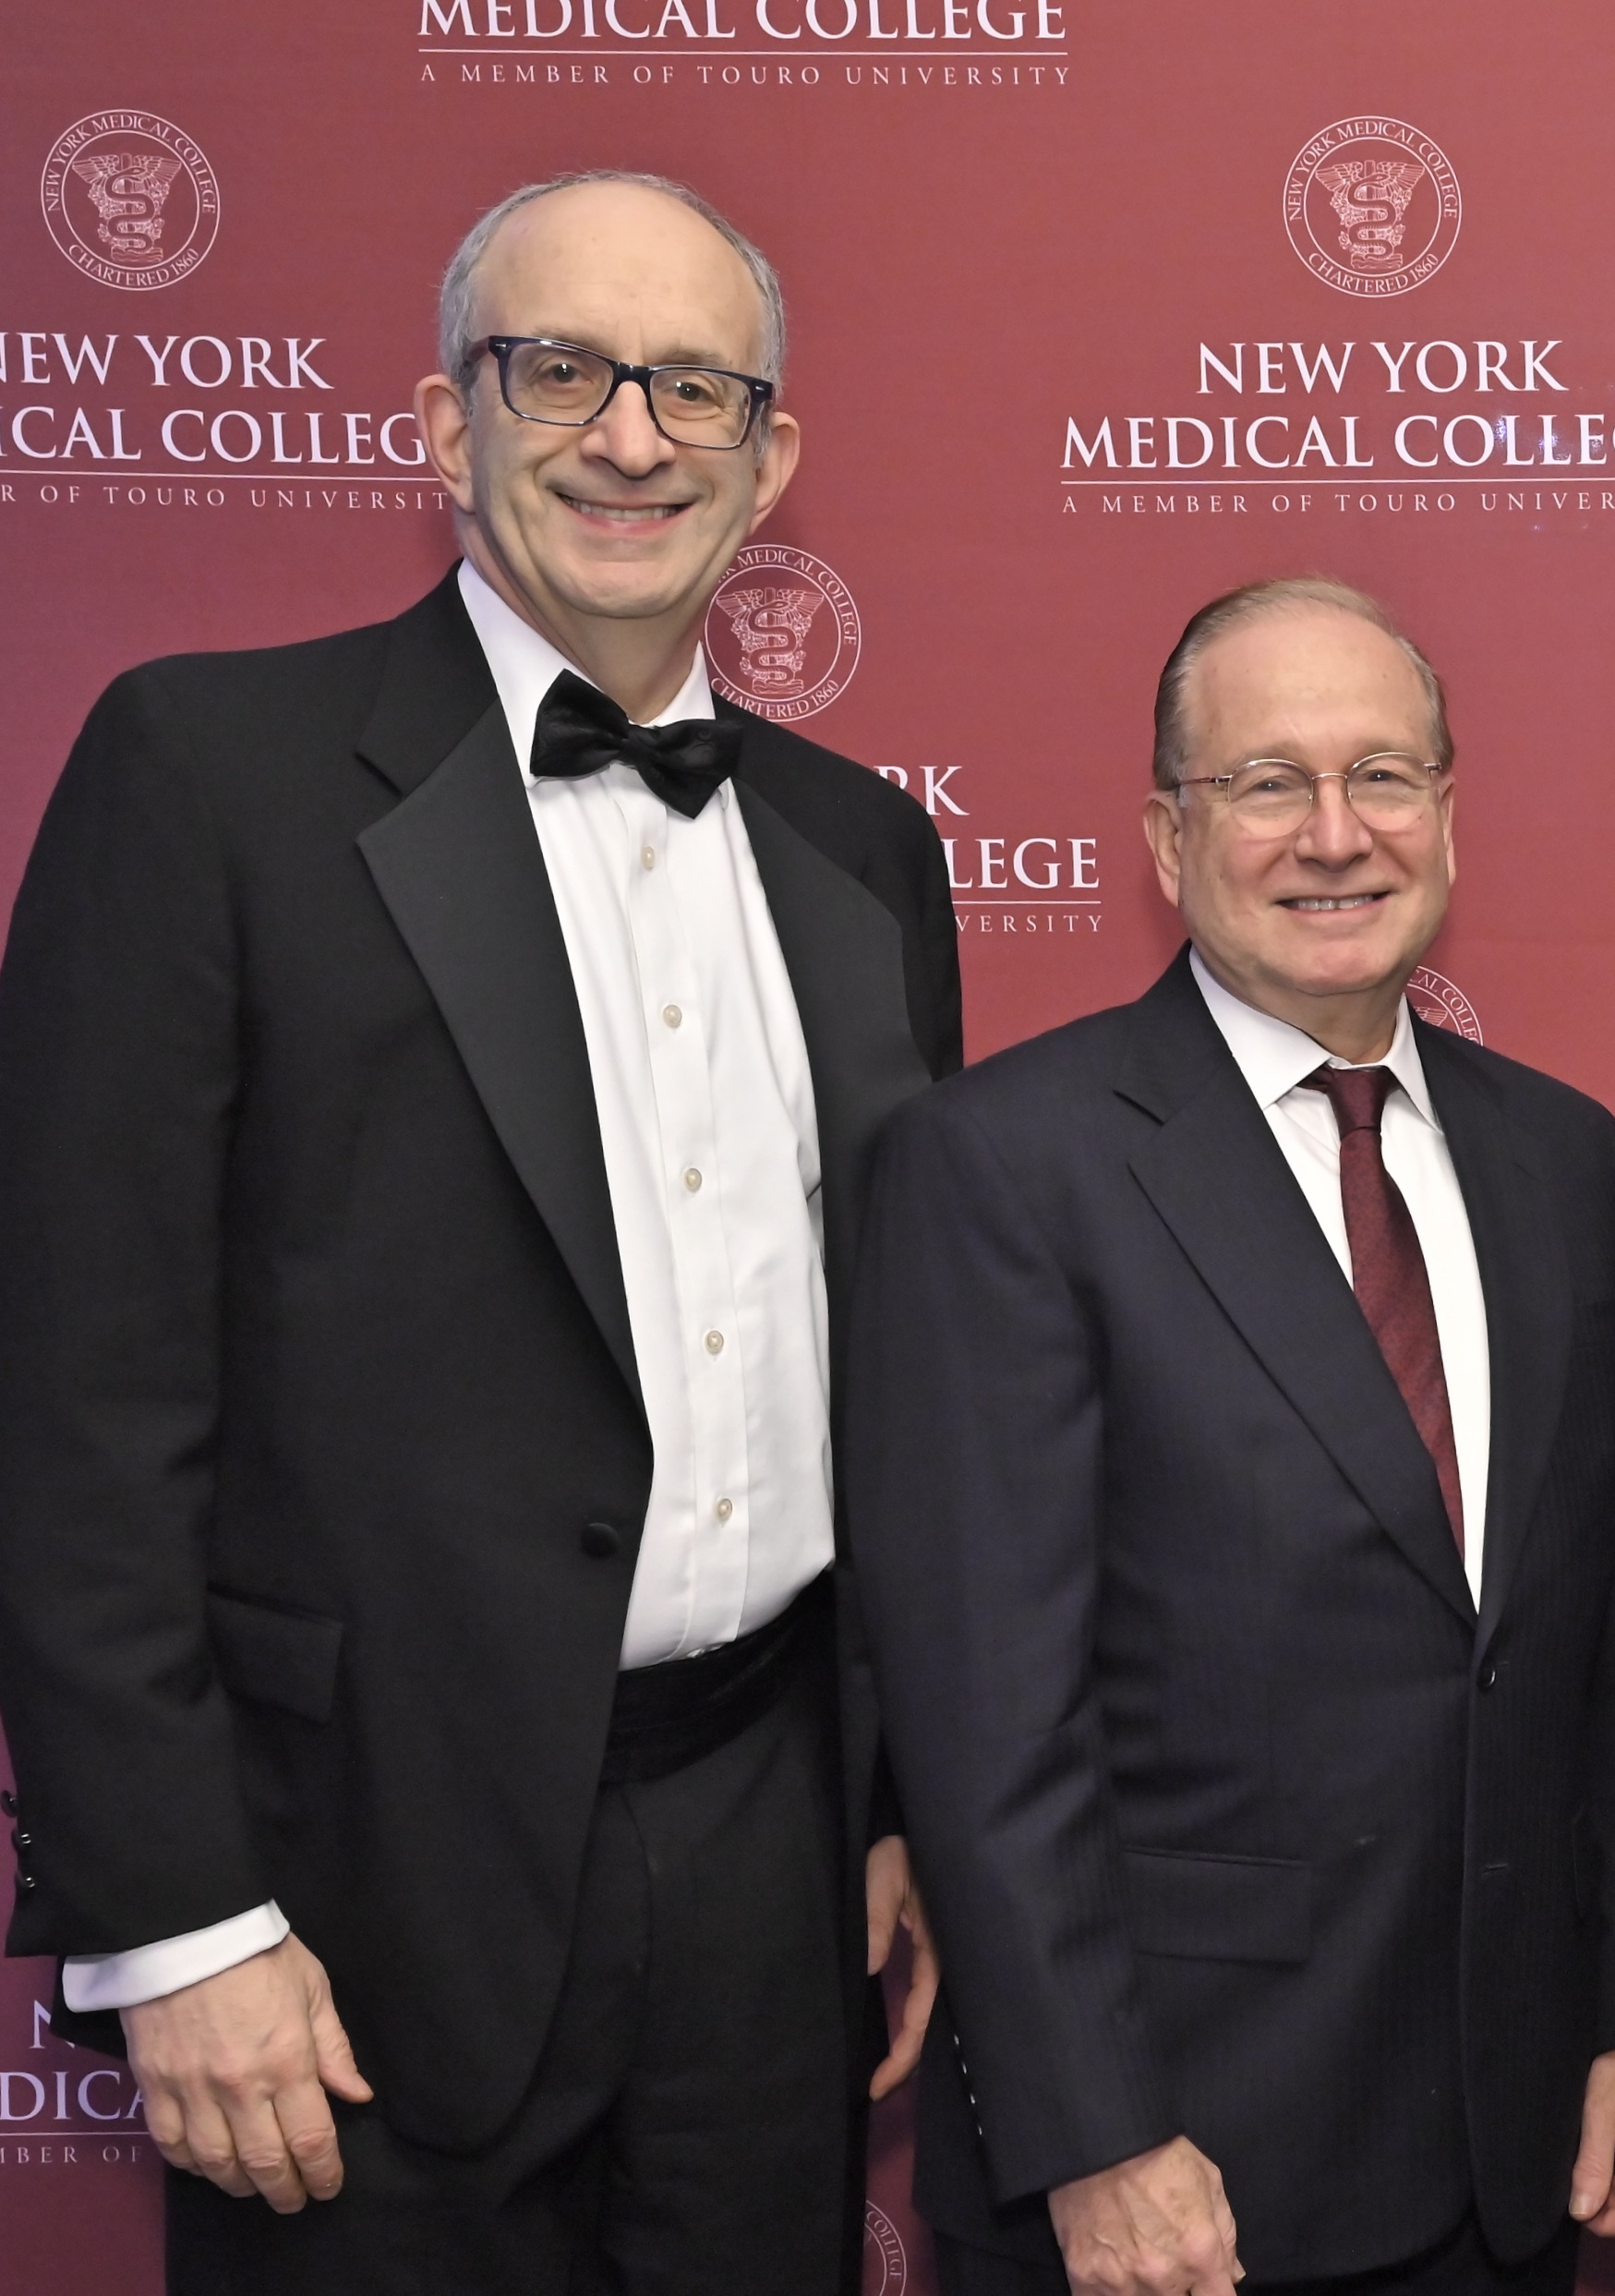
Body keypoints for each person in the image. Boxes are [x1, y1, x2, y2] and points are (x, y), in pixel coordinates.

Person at [0, 171, 958, 2290]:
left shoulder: (865, 850)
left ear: (770, 453)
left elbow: (895, 1380)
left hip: (767, 1869)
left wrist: (887, 1802)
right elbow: (75, 1397)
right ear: (446, 425)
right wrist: (179, 1920)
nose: (632, 434)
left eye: (694, 385)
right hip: (350, 1902)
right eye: (561, 369)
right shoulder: (204, 773)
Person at [847, 579, 1615, 2296]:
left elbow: (1602, 1656)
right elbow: (985, 1718)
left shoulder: (1561, 1161)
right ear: (1166, 836)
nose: (1333, 833)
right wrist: (1094, 2135)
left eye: (1384, 775)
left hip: (1506, 2149)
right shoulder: (1006, 1166)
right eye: (1265, 784)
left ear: (1448, 815)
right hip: (1172, 2171)